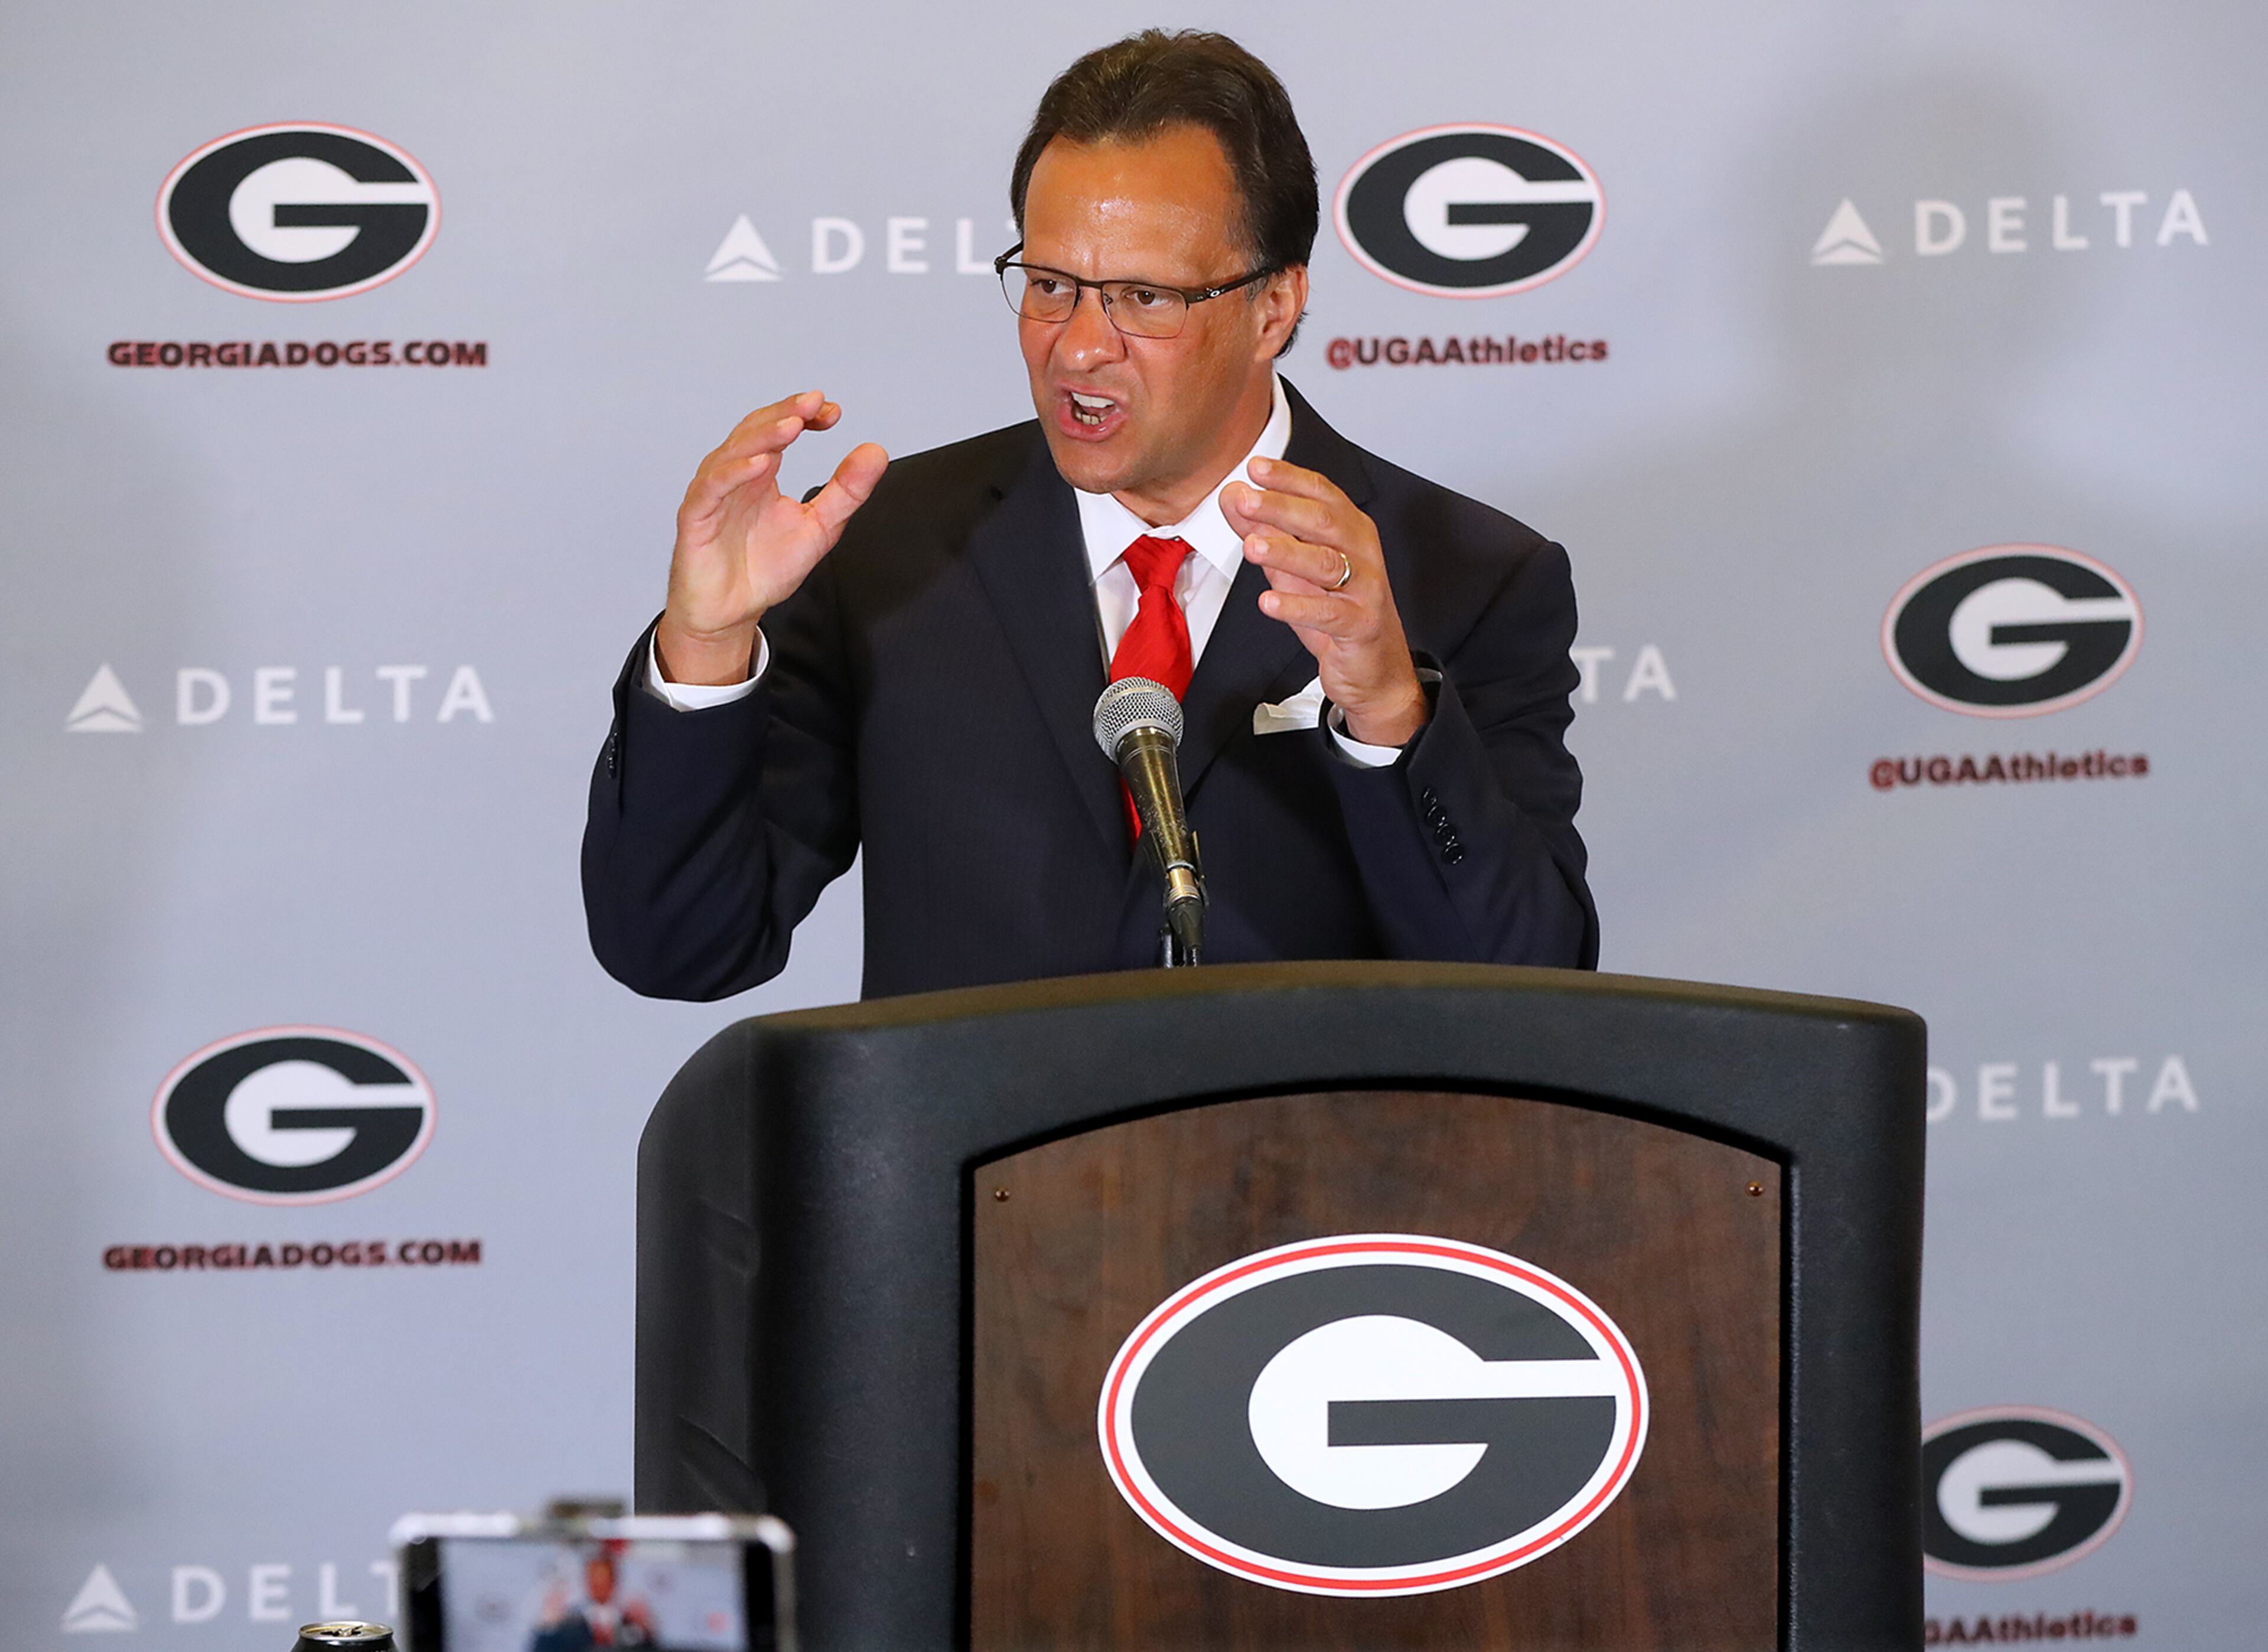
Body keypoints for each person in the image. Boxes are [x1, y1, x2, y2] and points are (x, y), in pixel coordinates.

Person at [582, 30, 1597, 1001]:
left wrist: (1387, 713)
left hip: (1309, 1176)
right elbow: (678, 946)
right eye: (1052, 284)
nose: (1076, 347)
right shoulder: (890, 552)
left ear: (1273, 308)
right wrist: (707, 646)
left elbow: (1522, 990)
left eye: (1144, 298)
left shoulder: (1464, 575)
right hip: (966, 1179)